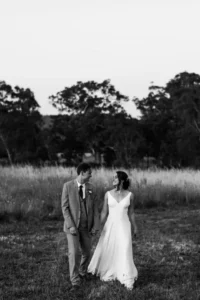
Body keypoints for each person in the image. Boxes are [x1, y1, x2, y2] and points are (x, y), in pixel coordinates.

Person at [88, 171, 138, 290]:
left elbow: (131, 213)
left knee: (125, 248)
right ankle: (111, 270)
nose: (113, 179)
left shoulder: (130, 195)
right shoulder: (108, 194)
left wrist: (135, 226)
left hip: (124, 225)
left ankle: (126, 276)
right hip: (110, 225)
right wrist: (98, 226)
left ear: (121, 180)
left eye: (115, 177)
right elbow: (104, 212)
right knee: (108, 247)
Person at [61, 163, 99, 292]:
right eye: (89, 173)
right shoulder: (67, 186)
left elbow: (95, 209)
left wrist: (95, 226)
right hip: (72, 228)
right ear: (82, 173)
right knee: (74, 253)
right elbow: (65, 208)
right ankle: (75, 281)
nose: (91, 175)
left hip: (86, 227)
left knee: (87, 252)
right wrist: (71, 226)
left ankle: (82, 272)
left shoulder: (91, 188)